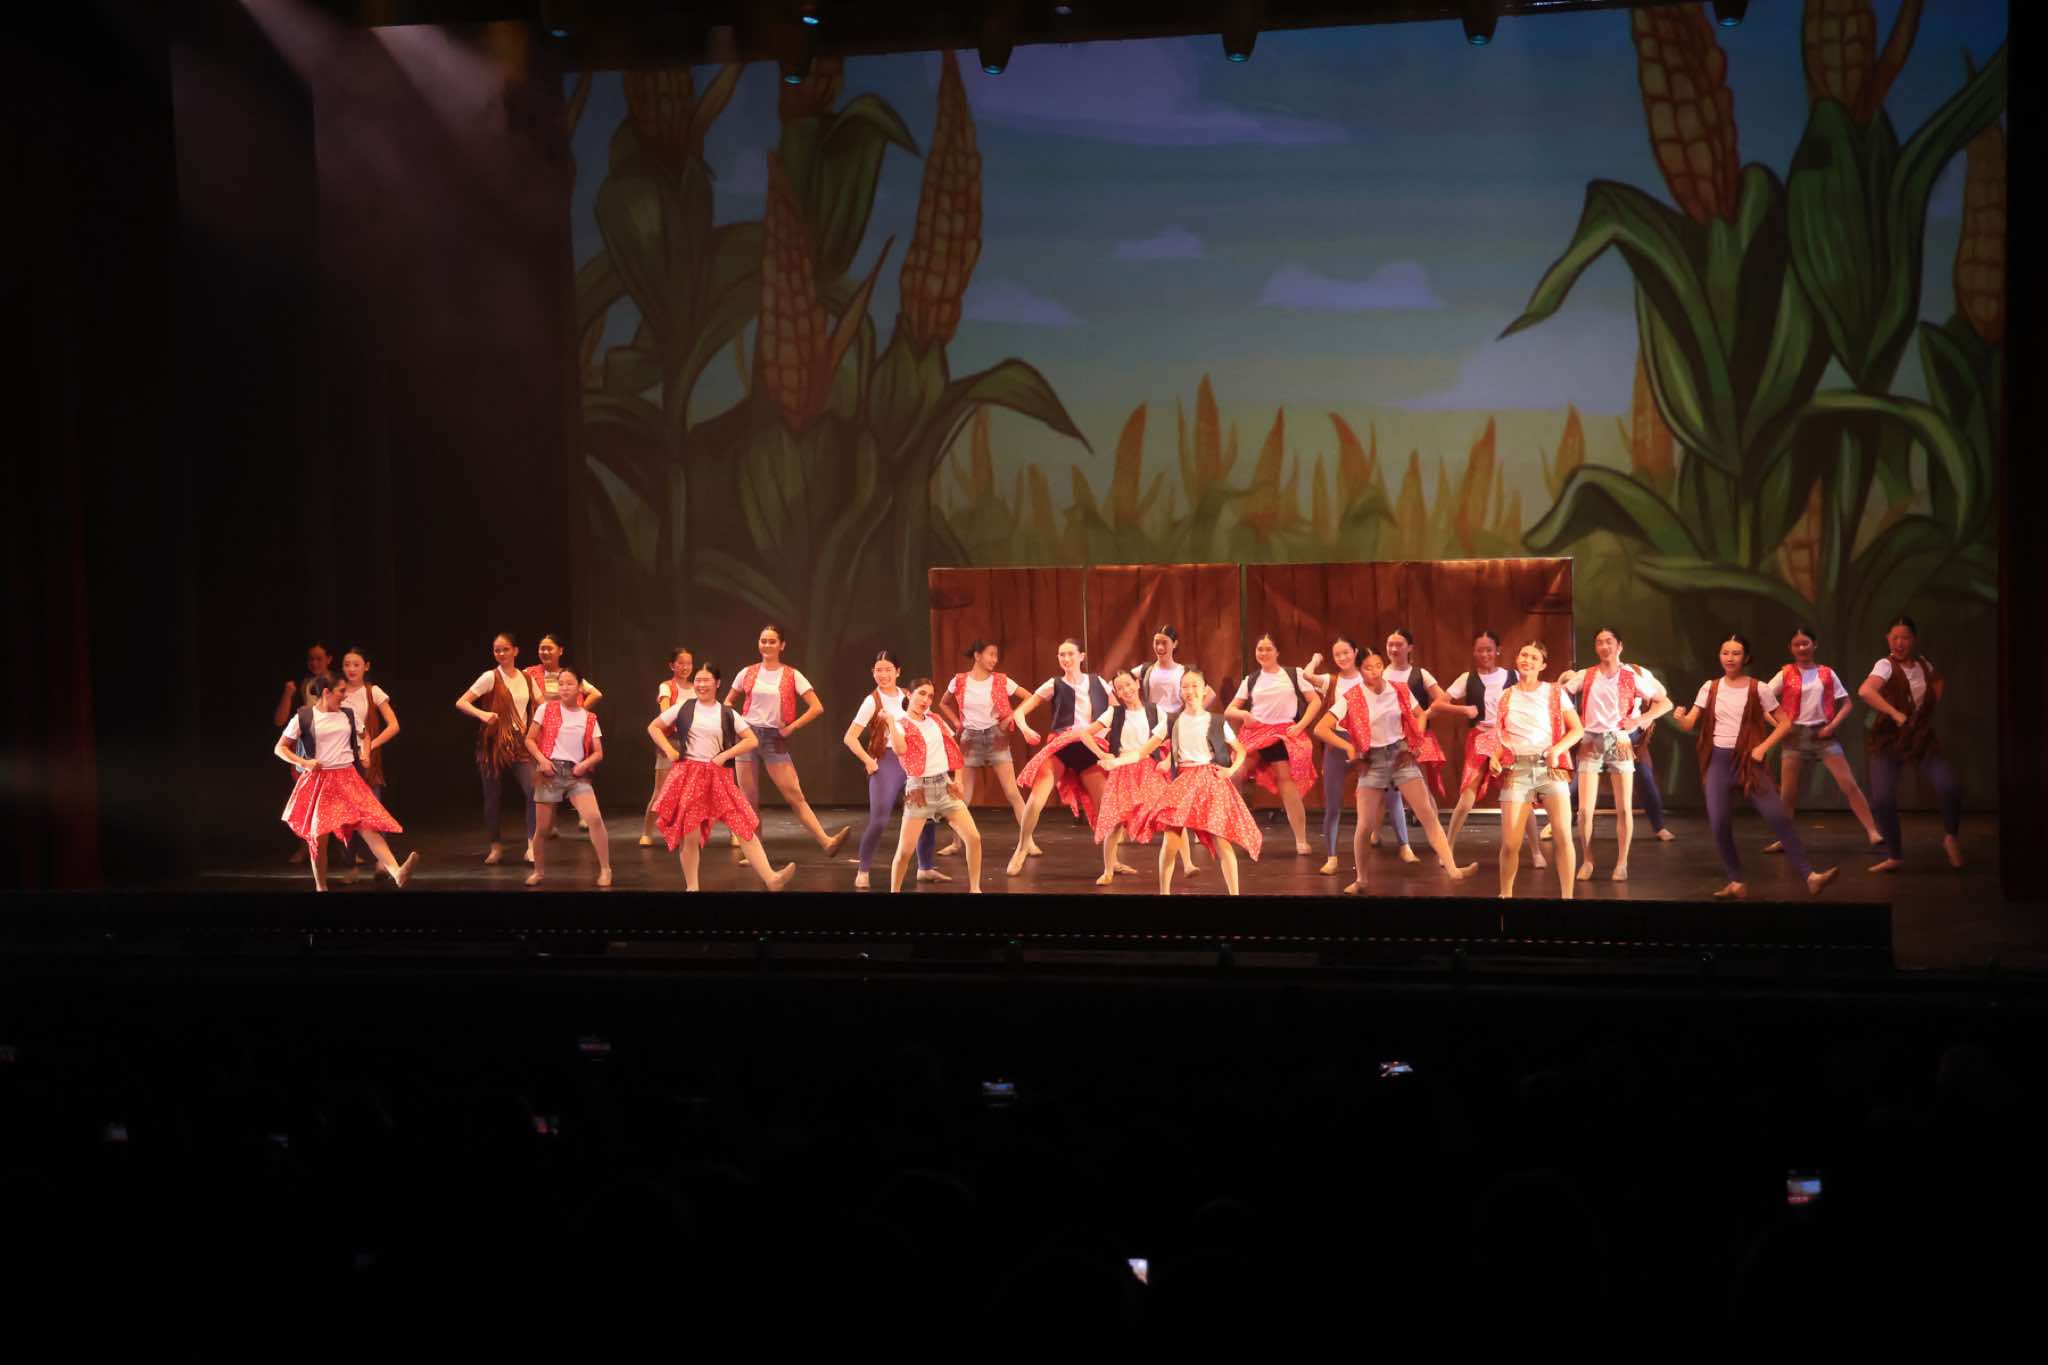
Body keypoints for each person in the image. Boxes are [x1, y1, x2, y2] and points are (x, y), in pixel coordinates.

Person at [1669, 634, 1839, 899]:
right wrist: (1680, 717)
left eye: (1736, 653)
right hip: (1719, 763)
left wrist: (1762, 748)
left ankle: (1810, 876)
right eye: (1725, 652)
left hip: (1749, 762)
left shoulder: (1758, 688)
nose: (1730, 658)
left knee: (1777, 817)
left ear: (1746, 657)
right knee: (1719, 823)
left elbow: (1785, 722)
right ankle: (1736, 881)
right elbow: (1690, 723)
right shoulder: (1710, 687)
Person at [1314, 647, 1477, 893]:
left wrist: (1414, 743)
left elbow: (1420, 715)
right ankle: (1361, 880)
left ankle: (1453, 868)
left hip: (1400, 754)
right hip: (1373, 760)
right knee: (1365, 825)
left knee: (1427, 814)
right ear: (1360, 670)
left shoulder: (1398, 689)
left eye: (1378, 665)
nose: (1375, 672)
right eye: (1368, 668)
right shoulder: (1353, 696)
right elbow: (1321, 728)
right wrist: (1349, 747)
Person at [649, 662, 797, 892]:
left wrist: (725, 755)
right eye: (698, 680)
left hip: (718, 776)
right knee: (690, 834)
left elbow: (751, 740)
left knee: (743, 826)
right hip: (690, 775)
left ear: (717, 683)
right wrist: (669, 750)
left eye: (706, 680)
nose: (701, 684)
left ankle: (771, 878)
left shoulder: (727, 713)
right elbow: (654, 727)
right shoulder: (683, 708)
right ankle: (692, 886)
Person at [275, 675, 417, 891]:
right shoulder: (304, 717)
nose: (345, 695)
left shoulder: (348, 714)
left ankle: (397, 872)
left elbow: (364, 735)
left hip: (347, 778)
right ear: (326, 692)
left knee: (368, 825)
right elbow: (280, 748)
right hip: (320, 780)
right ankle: (321, 887)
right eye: (341, 691)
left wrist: (365, 752)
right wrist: (304, 762)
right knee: (319, 837)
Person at [725, 623, 851, 861]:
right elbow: (728, 702)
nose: (767, 645)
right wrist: (737, 723)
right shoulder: (747, 672)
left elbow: (816, 707)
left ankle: (826, 842)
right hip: (747, 737)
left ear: (782, 645)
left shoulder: (792, 675)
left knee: (794, 794)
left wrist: (792, 726)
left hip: (773, 738)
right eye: (763, 640)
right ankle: (755, 856)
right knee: (749, 800)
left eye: (772, 641)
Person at [1555, 628, 1672, 882]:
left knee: (1624, 808)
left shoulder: (1631, 676)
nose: (1604, 646)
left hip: (1619, 740)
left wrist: (1640, 720)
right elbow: (1558, 695)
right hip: (1590, 741)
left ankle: (1622, 863)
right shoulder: (1586, 675)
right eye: (1599, 642)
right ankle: (1587, 859)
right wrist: (1557, 684)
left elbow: (1664, 702)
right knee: (1584, 811)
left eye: (1609, 641)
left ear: (1619, 646)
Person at [1759, 625, 1883, 855]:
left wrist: (1832, 726)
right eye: (1797, 644)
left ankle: (1872, 831)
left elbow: (1846, 703)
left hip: (1822, 734)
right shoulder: (1785, 673)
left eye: (1805, 643)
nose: (1802, 648)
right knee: (1788, 793)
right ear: (1790, 648)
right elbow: (1762, 700)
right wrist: (1780, 727)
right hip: (1794, 736)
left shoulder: (1826, 673)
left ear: (1814, 645)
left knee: (1848, 784)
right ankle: (1785, 839)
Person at [1134, 671, 1258, 895]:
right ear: (1180, 691)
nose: (1189, 691)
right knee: (1171, 841)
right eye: (1185, 686)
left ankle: (1235, 893)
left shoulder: (1216, 721)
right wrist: (1119, 760)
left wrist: (1230, 770)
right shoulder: (1172, 721)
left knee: (1222, 841)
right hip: (1184, 780)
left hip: (1210, 780)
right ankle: (1164, 892)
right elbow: (1146, 749)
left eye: (1194, 686)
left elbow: (1240, 750)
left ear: (1204, 689)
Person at [1857, 615, 1964, 873]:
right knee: (1882, 799)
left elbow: (1937, 682)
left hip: (1919, 738)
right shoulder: (1885, 665)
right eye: (1894, 637)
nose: (1899, 643)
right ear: (1887, 639)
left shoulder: (1923, 664)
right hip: (1888, 739)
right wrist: (1895, 713)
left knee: (1949, 786)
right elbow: (1865, 691)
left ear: (1913, 640)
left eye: (1904, 638)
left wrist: (1924, 712)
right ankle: (1895, 855)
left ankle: (1951, 837)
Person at [1007, 639, 1115, 876]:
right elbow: (1020, 712)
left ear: (1081, 656)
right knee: (1037, 798)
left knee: (1106, 806)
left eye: (1070, 654)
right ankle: (1022, 847)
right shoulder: (1054, 684)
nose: (1066, 659)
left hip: (1089, 746)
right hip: (1061, 746)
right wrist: (1025, 728)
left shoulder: (1098, 682)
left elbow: (1116, 710)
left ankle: (1112, 862)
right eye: (1061, 655)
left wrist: (1104, 728)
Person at [1489, 642, 1583, 899]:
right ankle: (1505, 896)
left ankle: (1567, 898)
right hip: (1517, 769)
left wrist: (1557, 749)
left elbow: (1577, 729)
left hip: (1550, 769)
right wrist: (1495, 757)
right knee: (1510, 843)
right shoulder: (1506, 695)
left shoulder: (1554, 692)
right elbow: (1500, 737)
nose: (1527, 660)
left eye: (1533, 657)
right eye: (1524, 655)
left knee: (1562, 835)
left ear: (1542, 665)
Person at [843, 650, 941, 889]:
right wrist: (868, 760)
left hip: (913, 760)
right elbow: (850, 737)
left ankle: (925, 867)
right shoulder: (872, 701)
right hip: (887, 762)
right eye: (879, 670)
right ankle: (863, 870)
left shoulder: (909, 695)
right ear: (873, 673)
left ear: (898, 672)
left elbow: (927, 723)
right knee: (879, 819)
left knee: (927, 816)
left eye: (888, 670)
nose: (883, 675)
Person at [936, 641, 1041, 859]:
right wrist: (956, 722)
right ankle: (956, 842)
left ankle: (1028, 841)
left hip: (996, 737)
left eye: (996, 655)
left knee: (1012, 792)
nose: (994, 659)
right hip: (969, 739)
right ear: (977, 655)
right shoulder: (959, 680)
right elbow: (943, 703)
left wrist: (1011, 717)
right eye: (990, 654)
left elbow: (1030, 697)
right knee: (963, 795)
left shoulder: (1001, 680)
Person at [1224, 634, 1322, 857]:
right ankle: (1227, 830)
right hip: (1256, 732)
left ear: (1277, 652)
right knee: (1235, 774)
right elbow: (1230, 710)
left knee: (1286, 780)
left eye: (1268, 649)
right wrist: (1244, 715)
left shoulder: (1293, 674)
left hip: (1282, 733)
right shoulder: (1251, 679)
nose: (1264, 653)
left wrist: (1300, 726)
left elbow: (1315, 701)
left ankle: (1301, 839)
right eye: (1260, 649)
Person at [887, 678, 984, 894]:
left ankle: (975, 889)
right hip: (919, 790)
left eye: (930, 696)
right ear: (909, 695)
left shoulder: (935, 719)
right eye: (921, 693)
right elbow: (900, 750)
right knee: (904, 852)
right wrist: (891, 722)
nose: (926, 700)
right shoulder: (901, 724)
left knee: (973, 838)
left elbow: (953, 748)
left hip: (945, 786)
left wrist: (958, 778)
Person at [523, 666, 612, 887]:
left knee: (594, 818)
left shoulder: (589, 717)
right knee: (542, 829)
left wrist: (584, 765)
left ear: (579, 687)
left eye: (569, 683)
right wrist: (542, 760)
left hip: (575, 774)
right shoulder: (546, 708)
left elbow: (598, 752)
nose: (564, 688)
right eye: (561, 683)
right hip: (549, 772)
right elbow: (529, 739)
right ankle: (539, 871)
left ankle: (605, 869)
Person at [1134, 624, 1214, 875]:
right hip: (1154, 732)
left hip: (1175, 730)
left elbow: (1207, 692)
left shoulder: (1182, 672)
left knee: (1178, 794)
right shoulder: (1145, 670)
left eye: (1164, 643)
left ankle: (1188, 859)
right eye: (1156, 642)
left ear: (1174, 644)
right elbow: (1120, 684)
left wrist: (1190, 714)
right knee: (1165, 795)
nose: (1159, 647)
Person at [454, 632, 537, 865]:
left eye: (505, 649)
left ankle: (532, 845)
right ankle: (495, 846)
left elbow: (541, 705)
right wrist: (482, 714)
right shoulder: (490, 677)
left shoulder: (527, 678)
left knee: (533, 791)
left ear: (515, 651)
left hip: (519, 743)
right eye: (497, 650)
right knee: (492, 796)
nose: (500, 653)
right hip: (493, 745)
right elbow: (462, 702)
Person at [1434, 629, 1516, 863]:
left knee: (1515, 791)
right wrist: (1463, 709)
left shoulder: (1512, 676)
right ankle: (1448, 845)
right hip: (1479, 736)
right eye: (1480, 650)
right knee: (1468, 792)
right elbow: (1439, 704)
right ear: (1474, 652)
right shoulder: (1467, 678)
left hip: (1506, 738)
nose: (1485, 654)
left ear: (1497, 651)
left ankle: (1537, 851)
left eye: (1489, 650)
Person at [1087, 669, 1169, 886]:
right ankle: (1108, 870)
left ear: (1137, 683)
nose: (1126, 690)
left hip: (1148, 769)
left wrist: (1167, 760)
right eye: (1120, 688)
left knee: (1169, 814)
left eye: (1128, 684)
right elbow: (1084, 734)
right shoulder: (1114, 713)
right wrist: (1101, 754)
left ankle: (1187, 863)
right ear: (1116, 692)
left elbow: (1170, 738)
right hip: (1122, 769)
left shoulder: (1155, 711)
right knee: (1115, 823)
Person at [1373, 628, 1448, 855]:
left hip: (1415, 738)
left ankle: (1437, 837)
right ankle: (1374, 833)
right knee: (1382, 788)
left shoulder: (1420, 674)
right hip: (1388, 738)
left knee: (1421, 788)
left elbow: (1442, 700)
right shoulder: (1380, 674)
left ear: (1410, 647)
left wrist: (1421, 718)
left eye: (1399, 644)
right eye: (1390, 644)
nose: (1394, 649)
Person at [1302, 637, 1369, 874]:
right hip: (1336, 742)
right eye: (1337, 654)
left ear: (1355, 652)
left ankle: (1402, 846)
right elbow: (1307, 675)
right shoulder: (1331, 681)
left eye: (1346, 653)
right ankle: (1331, 857)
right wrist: (1315, 660)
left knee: (1372, 801)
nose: (1342, 658)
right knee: (1333, 805)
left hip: (1363, 742)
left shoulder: (1366, 678)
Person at [524, 633, 602, 834]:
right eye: (542, 648)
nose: (545, 652)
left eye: (549, 648)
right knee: (546, 776)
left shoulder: (567, 675)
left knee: (576, 769)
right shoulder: (530, 674)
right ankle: (547, 825)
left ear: (560, 651)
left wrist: (578, 712)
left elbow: (596, 693)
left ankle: (583, 813)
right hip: (543, 731)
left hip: (568, 731)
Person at [335, 646, 400, 879]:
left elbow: (394, 725)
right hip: (341, 760)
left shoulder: (373, 691)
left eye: (356, 664)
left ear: (366, 666)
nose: (351, 669)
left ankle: (382, 863)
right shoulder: (337, 691)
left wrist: (371, 746)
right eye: (347, 664)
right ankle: (350, 866)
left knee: (373, 810)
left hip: (366, 761)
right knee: (347, 816)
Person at [275, 641, 336, 864]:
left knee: (338, 801)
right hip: (308, 750)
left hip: (332, 748)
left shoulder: (336, 683)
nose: (314, 663)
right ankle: (306, 846)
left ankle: (348, 851)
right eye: (311, 659)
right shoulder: (304, 684)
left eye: (319, 658)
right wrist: (290, 695)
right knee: (308, 802)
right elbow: (282, 720)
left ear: (329, 659)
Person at [641, 647, 695, 846]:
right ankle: (647, 832)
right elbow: (665, 712)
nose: (685, 667)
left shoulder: (696, 687)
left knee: (692, 790)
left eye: (688, 663)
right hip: (670, 740)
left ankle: (684, 831)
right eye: (680, 663)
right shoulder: (667, 687)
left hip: (693, 742)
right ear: (672, 665)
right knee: (661, 791)